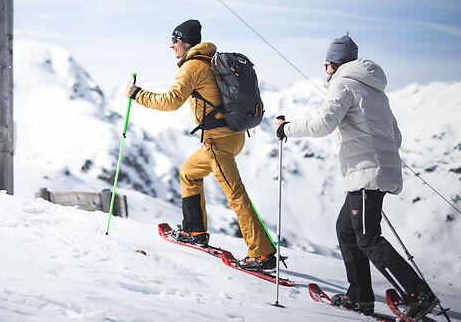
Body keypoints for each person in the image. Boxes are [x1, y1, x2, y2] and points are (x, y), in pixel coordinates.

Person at [274, 34, 438, 320]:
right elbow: (395, 136)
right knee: (347, 230)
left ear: (332, 64)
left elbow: (324, 123)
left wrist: (286, 128)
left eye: (326, 65)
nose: (325, 71)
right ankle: (359, 297)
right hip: (377, 171)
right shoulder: (375, 90)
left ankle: (416, 293)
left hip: (366, 173)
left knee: (367, 237)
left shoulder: (342, 83)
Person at [125, 19, 276, 270]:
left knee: (234, 193)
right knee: (189, 171)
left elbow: (171, 101)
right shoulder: (211, 59)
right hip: (233, 135)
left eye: (175, 41)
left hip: (218, 141)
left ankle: (262, 254)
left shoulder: (193, 66)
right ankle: (194, 231)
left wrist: (137, 94)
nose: (172, 46)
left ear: (185, 42)